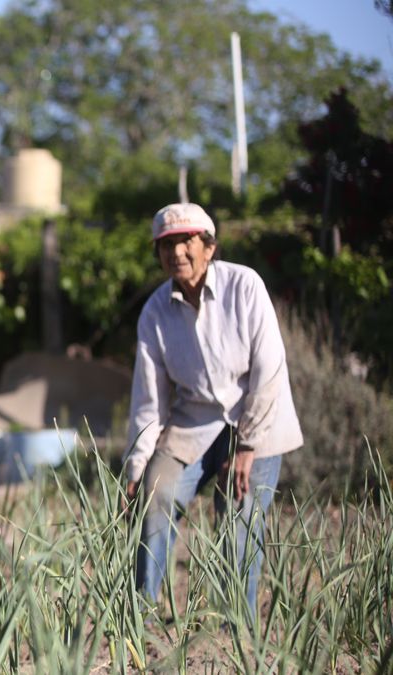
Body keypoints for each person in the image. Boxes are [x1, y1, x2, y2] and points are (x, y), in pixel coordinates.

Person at [123, 203, 302, 618]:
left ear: (209, 246)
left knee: (238, 512)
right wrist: (135, 467)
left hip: (255, 418)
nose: (176, 253)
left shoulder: (245, 286)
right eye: (166, 245)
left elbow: (269, 370)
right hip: (192, 424)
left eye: (185, 241)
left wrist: (248, 444)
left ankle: (233, 624)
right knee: (155, 495)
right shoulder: (155, 311)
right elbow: (149, 400)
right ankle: (141, 616)